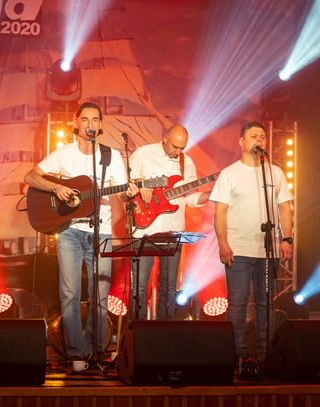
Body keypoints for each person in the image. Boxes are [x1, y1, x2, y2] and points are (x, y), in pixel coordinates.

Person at [24, 102, 138, 370]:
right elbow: (31, 177)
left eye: (95, 119)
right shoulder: (63, 153)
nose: (90, 124)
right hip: (70, 231)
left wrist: (130, 192)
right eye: (85, 119)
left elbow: (121, 192)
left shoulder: (110, 156)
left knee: (100, 295)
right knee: (70, 293)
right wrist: (56, 188)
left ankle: (95, 351)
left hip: (102, 230)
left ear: (101, 125)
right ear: (76, 123)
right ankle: (75, 353)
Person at [210, 121, 293, 371]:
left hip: (268, 250)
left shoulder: (274, 173)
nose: (259, 140)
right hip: (238, 249)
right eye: (254, 136)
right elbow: (220, 212)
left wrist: (287, 238)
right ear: (241, 141)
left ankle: (265, 354)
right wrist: (223, 243)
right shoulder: (229, 173)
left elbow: (285, 208)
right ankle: (235, 354)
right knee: (237, 302)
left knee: (266, 303)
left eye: (263, 137)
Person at [129, 125, 210, 320]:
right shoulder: (143, 154)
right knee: (139, 286)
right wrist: (140, 187)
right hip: (144, 230)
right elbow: (126, 186)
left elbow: (190, 198)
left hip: (173, 231)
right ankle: (138, 332)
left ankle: (164, 330)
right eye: (175, 146)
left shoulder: (186, 162)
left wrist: (209, 195)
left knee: (169, 287)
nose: (178, 152)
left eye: (182, 148)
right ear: (165, 138)